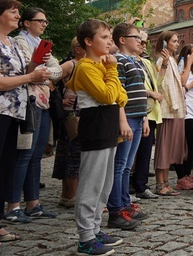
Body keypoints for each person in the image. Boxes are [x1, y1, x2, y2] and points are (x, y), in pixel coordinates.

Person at [0, 0, 50, 247]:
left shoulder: (13, 44)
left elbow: (24, 73)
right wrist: (30, 78)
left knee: (4, 168)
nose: (18, 15)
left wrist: (37, 64)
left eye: (18, 11)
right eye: (12, 11)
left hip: (15, 112)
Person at [68, 18, 128, 255]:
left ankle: (94, 229)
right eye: (104, 37)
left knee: (105, 182)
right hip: (95, 127)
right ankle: (85, 237)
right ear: (88, 41)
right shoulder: (86, 67)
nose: (109, 41)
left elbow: (121, 96)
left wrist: (111, 80)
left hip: (108, 126)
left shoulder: (101, 66)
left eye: (109, 36)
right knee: (91, 182)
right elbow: (106, 96)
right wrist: (112, 70)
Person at [6, 7, 63, 223]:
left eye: (46, 21)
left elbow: (56, 70)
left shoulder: (42, 45)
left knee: (37, 155)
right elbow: (27, 72)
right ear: (27, 23)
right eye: (40, 20)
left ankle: (33, 203)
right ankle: (13, 205)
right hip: (27, 102)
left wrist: (45, 74)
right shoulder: (19, 42)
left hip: (42, 101)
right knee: (24, 154)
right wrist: (42, 73)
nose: (44, 24)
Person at [106, 23, 149, 230]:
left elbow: (140, 90)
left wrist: (145, 118)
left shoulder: (136, 61)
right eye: (136, 37)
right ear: (122, 40)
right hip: (127, 118)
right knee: (120, 165)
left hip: (138, 117)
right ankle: (116, 209)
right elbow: (118, 93)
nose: (140, 41)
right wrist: (123, 120)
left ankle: (124, 203)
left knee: (127, 165)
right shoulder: (119, 60)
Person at [153, 31, 186, 197]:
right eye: (174, 41)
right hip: (168, 110)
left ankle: (165, 181)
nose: (177, 43)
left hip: (174, 110)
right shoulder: (162, 60)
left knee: (169, 147)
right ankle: (160, 183)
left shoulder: (172, 60)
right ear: (165, 43)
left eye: (177, 40)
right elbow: (161, 85)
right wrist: (173, 105)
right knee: (164, 147)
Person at [53, 37, 85, 208]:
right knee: (72, 154)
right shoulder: (70, 64)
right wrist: (59, 100)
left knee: (73, 154)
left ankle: (68, 195)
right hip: (72, 114)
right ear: (76, 48)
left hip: (81, 111)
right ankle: (70, 195)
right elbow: (50, 78)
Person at [132, 30, 162, 200]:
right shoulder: (127, 61)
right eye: (140, 42)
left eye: (145, 43)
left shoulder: (145, 62)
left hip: (151, 111)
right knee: (133, 151)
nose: (144, 45)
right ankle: (133, 185)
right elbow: (131, 85)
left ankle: (141, 185)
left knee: (144, 151)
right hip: (139, 108)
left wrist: (163, 65)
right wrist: (150, 93)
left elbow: (156, 81)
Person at [174, 44, 193, 191]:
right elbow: (182, 84)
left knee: (192, 146)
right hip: (186, 112)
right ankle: (181, 176)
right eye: (191, 53)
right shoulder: (181, 67)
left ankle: (188, 174)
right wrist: (188, 63)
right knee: (183, 146)